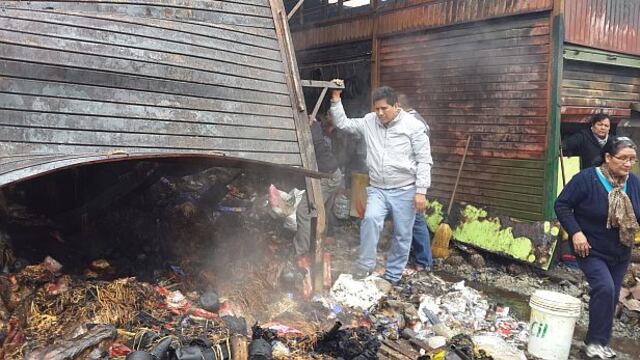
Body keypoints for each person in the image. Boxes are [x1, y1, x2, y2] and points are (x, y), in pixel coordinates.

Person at [329, 84, 433, 285]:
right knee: (370, 220)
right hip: (378, 188)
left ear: (396, 106)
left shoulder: (413, 126)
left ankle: (393, 275)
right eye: (376, 109)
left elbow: (424, 160)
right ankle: (365, 265)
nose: (379, 113)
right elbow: (343, 123)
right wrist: (335, 98)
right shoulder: (370, 121)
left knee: (402, 233)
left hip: (405, 189)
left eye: (384, 109)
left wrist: (421, 191)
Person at [555, 136, 640, 359]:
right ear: (608, 157)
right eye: (623, 158)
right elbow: (562, 205)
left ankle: (599, 343)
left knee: (610, 297)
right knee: (604, 288)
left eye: (632, 159)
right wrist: (576, 232)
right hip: (590, 249)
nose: (628, 164)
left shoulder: (633, 183)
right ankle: (593, 344)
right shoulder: (587, 179)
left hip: (620, 251)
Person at [294, 118, 343, 263]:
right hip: (332, 173)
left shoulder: (309, 129)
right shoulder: (312, 126)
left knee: (303, 211)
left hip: (327, 176)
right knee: (322, 209)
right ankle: (327, 238)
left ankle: (301, 253)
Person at [398, 94, 432, 272]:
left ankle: (423, 262)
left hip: (411, 180)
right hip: (414, 179)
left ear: (398, 106)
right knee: (413, 220)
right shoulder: (419, 119)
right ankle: (420, 259)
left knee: (416, 221)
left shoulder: (412, 123)